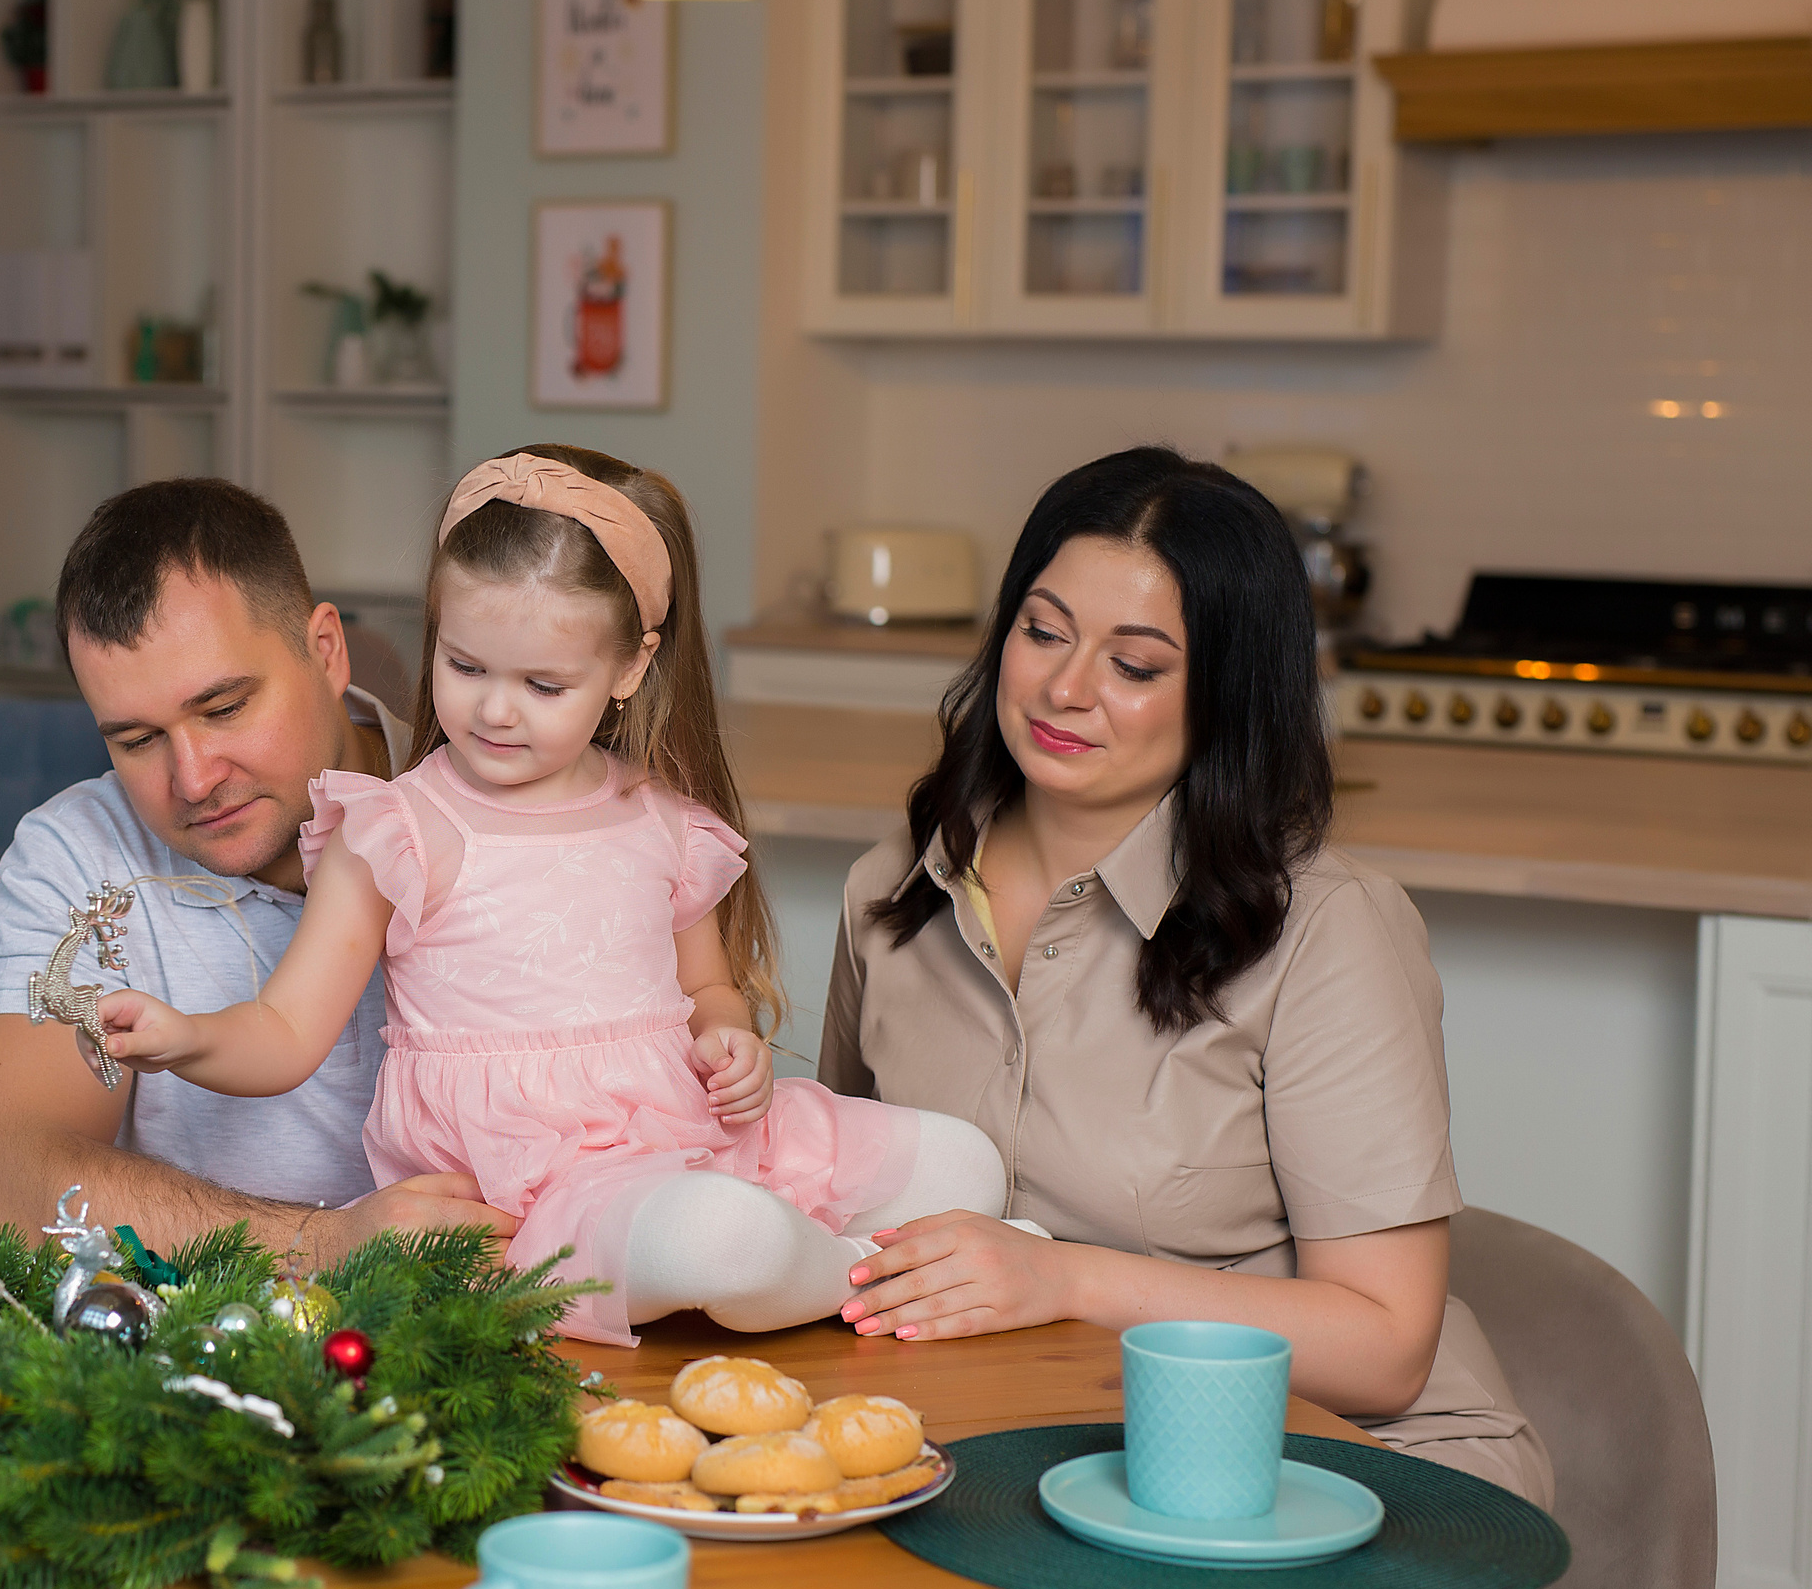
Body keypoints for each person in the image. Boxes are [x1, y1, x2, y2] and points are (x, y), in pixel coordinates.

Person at [93, 445, 1029, 1345]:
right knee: (723, 1241)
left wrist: (729, 1038)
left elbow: (705, 989)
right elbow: (287, 1032)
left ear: (629, 669)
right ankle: (857, 1273)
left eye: (544, 683)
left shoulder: (661, 819)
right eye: (464, 667)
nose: (495, 710)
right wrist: (188, 1038)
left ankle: (822, 1262)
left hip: (694, 1133)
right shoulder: (396, 829)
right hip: (537, 1196)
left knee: (966, 1165)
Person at [819, 447, 1554, 1518]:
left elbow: (1385, 1349)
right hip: (1025, 1439)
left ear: (1222, 692)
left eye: (1136, 664)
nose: (1065, 689)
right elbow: (848, 1201)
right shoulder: (893, 890)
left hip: (1339, 1458)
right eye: (1043, 630)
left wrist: (1064, 1280)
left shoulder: (1327, 930)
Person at [0, 477, 516, 1262]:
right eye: (136, 740)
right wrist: (327, 1243)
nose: (192, 779)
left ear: (325, 651)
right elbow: (14, 1191)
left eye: (222, 709)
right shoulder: (76, 850)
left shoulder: (499, 807)